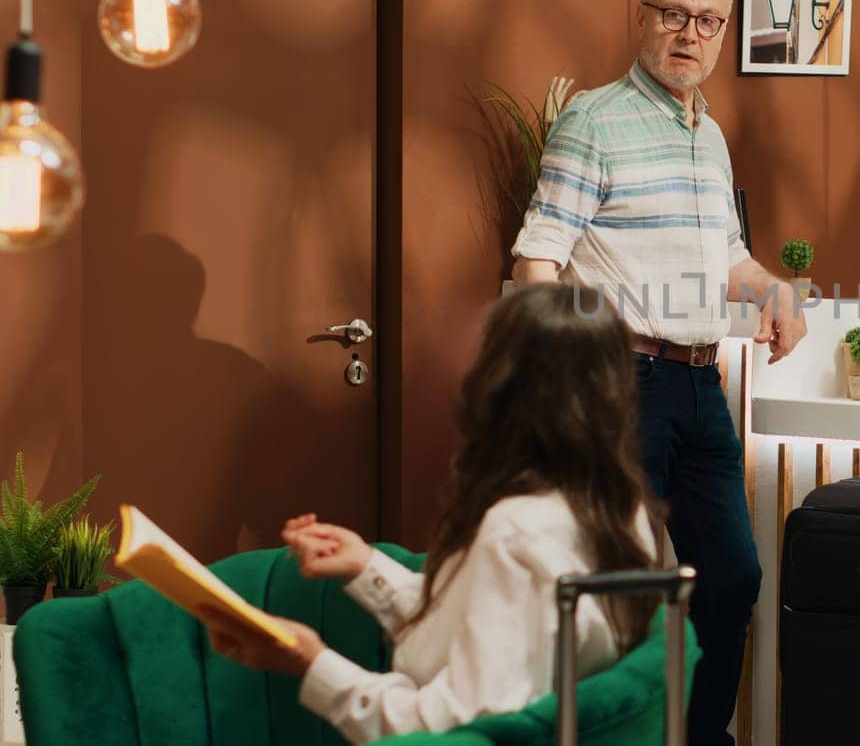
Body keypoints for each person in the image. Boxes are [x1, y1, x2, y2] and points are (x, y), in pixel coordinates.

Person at [509, 0, 807, 745]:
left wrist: (775, 293)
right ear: (641, 18)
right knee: (622, 593)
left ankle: (699, 738)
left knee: (733, 577)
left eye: (708, 21)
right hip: (617, 383)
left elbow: (729, 258)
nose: (690, 34)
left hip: (699, 386)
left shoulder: (708, 136)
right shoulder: (594, 121)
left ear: (723, 36)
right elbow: (538, 257)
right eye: (674, 15)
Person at [198, 284, 661, 744]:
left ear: (504, 388)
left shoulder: (518, 531)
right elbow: (494, 624)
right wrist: (366, 567)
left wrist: (310, 662)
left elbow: (454, 727)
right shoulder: (620, 509)